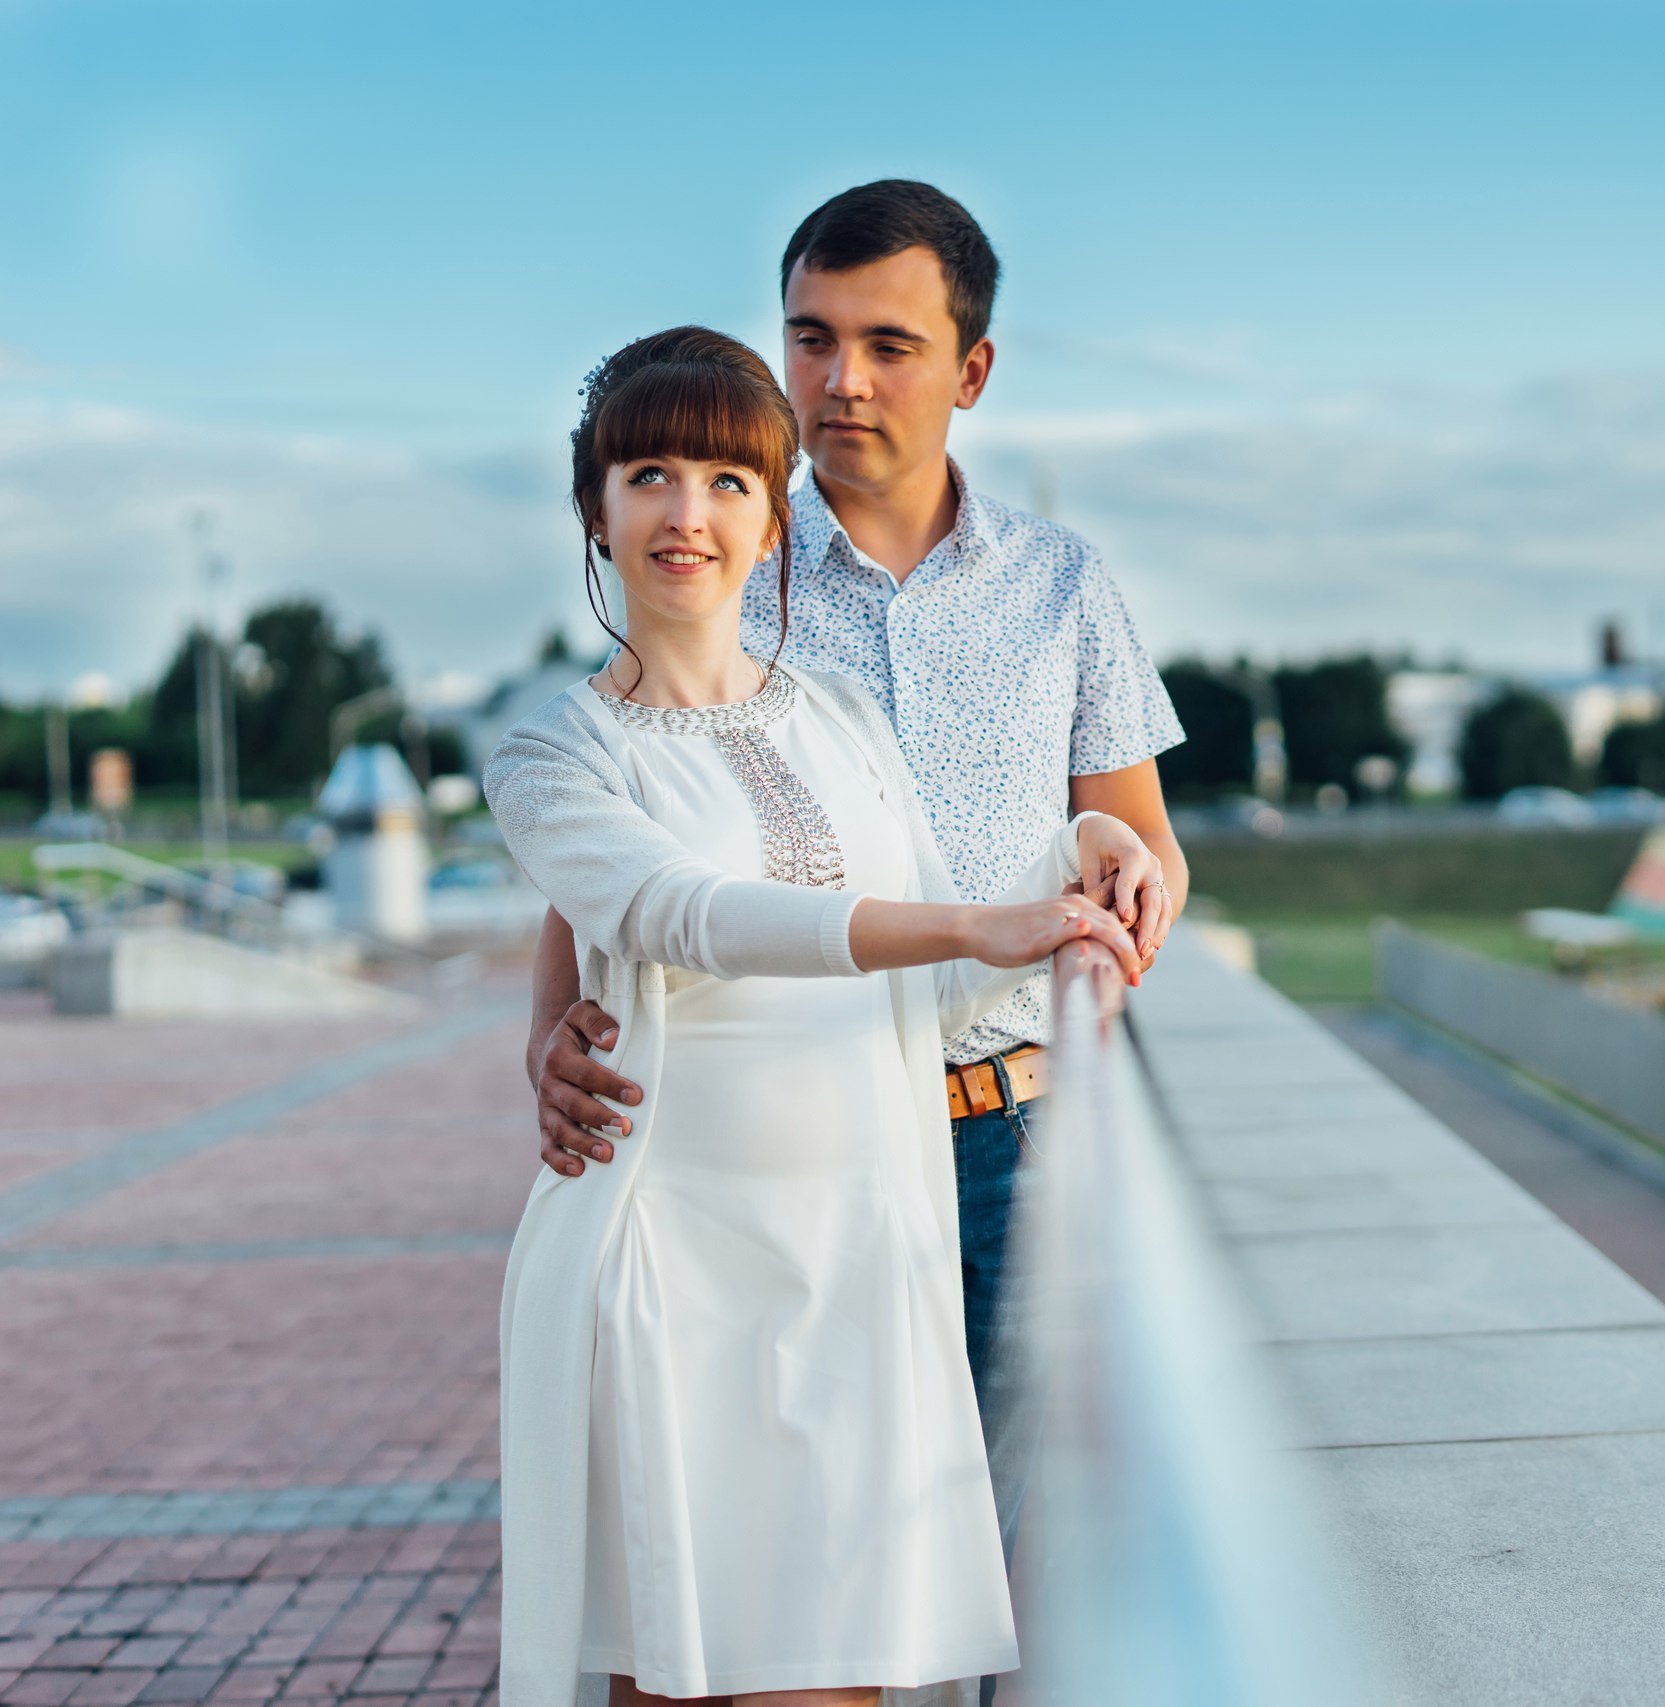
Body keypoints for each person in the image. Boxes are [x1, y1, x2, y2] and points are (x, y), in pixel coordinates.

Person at [484, 327, 1162, 1707]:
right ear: (595, 511)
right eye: (649, 475)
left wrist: (1083, 846)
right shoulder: (553, 750)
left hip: (860, 1266)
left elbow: (943, 954)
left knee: (841, 1674)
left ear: (773, 515)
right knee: (676, 1676)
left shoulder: (839, 715)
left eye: (729, 481)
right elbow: (681, 914)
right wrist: (973, 927)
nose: (688, 513)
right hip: (670, 1272)